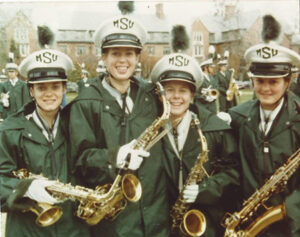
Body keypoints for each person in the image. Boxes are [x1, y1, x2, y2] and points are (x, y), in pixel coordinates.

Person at [63, 14, 170, 237]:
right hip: (115, 223)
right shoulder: (86, 102)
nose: (123, 61)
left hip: (155, 219)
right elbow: (80, 159)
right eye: (115, 54)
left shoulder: (151, 95)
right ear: (103, 56)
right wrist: (114, 157)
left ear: (138, 57)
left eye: (129, 53)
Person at [0, 46, 91, 236]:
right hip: (28, 230)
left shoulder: (78, 124)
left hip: (72, 229)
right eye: (41, 87)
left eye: (55, 86)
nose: (49, 93)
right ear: (31, 90)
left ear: (65, 88)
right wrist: (24, 188)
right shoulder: (9, 130)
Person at [150, 51, 240, 237]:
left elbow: (233, 173)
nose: (176, 97)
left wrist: (205, 189)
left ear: (192, 96)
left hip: (204, 222)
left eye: (183, 90)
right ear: (161, 95)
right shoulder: (149, 130)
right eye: (169, 90)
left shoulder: (215, 129)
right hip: (160, 223)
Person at [229, 15, 300, 236]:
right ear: (252, 81)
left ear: (288, 81)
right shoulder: (237, 117)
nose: (266, 88)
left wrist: (290, 208)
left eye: (274, 81)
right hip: (250, 225)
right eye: (260, 81)